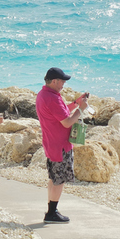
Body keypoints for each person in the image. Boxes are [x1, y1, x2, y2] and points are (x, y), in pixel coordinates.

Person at [35, 67, 89, 223]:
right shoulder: (53, 98)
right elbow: (66, 122)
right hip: (60, 146)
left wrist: (75, 103)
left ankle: (51, 210)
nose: (64, 84)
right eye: (62, 81)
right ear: (54, 81)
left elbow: (62, 112)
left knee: (53, 178)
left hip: (51, 143)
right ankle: (52, 213)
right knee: (59, 180)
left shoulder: (43, 94)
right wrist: (81, 110)